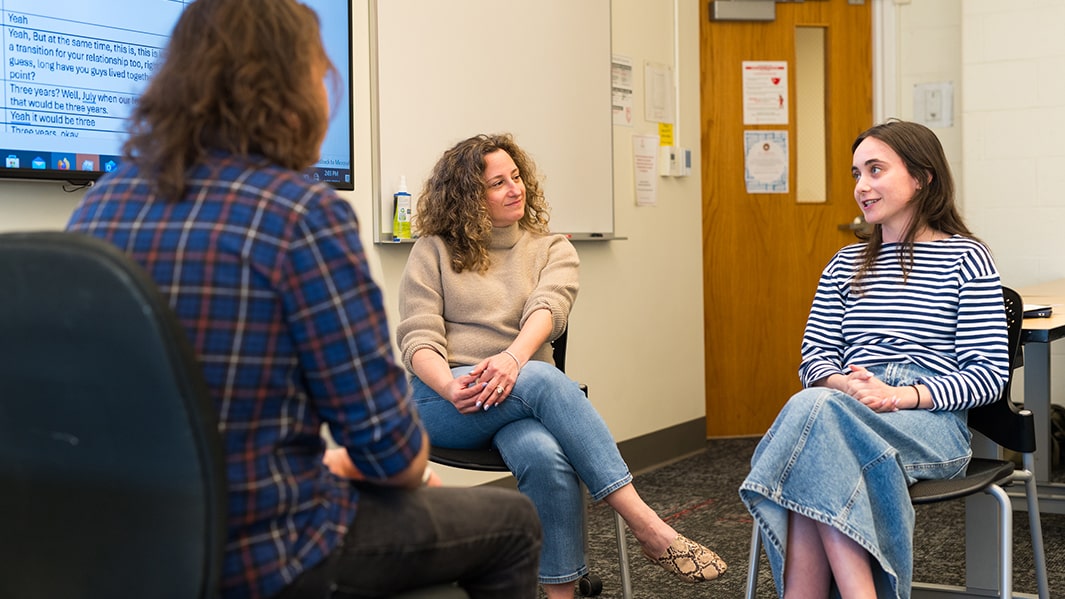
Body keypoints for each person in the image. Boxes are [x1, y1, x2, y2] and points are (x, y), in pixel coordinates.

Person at [65, 1, 543, 598]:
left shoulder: (98, 206)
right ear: (295, 91)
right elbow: (393, 456)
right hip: (265, 550)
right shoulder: (301, 214)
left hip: (128, 544)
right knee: (515, 523)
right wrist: (346, 466)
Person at [395, 133, 728, 599]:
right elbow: (418, 339)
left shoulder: (552, 248)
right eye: (497, 183)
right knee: (541, 377)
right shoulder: (431, 250)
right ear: (468, 197)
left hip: (520, 394)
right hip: (446, 399)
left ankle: (560, 595)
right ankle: (646, 524)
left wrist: (513, 361)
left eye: (516, 177)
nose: (515, 188)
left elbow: (548, 312)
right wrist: (452, 388)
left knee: (543, 453)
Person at [739, 120, 1011, 599]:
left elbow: (988, 376)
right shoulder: (844, 264)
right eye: (855, 173)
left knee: (813, 425)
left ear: (922, 178)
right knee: (820, 425)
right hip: (848, 406)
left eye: (875, 170)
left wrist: (899, 395)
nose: (861, 186)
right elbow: (815, 362)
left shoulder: (967, 258)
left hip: (928, 419)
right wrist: (850, 388)